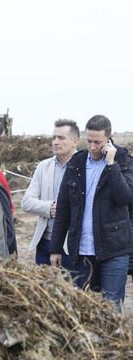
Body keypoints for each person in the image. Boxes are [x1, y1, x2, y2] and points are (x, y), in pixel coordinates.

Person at [51, 115, 133, 308]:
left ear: (109, 138)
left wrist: (111, 165)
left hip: (114, 250)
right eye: (89, 141)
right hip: (82, 250)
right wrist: (55, 248)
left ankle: (113, 340)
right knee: (85, 305)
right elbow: (63, 208)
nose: (93, 147)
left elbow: (126, 198)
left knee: (111, 307)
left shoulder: (124, 161)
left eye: (98, 142)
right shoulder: (77, 163)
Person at [21, 119, 79, 267]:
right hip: (45, 242)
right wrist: (50, 208)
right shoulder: (43, 167)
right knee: (43, 288)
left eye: (61, 138)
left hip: (72, 244)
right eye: (53, 138)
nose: (55, 142)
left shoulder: (84, 167)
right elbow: (26, 202)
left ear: (75, 141)